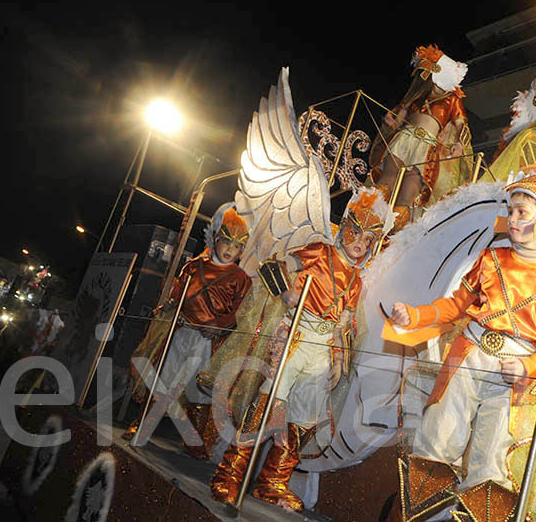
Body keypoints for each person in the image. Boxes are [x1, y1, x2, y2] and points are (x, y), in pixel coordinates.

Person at [388, 162, 536, 521]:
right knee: (434, 446)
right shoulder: (491, 259)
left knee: (490, 465)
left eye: (522, 212)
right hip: (466, 359)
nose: (513, 219)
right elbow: (456, 306)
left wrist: (528, 365)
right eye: (511, 211)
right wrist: (413, 316)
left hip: (513, 380)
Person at [209, 186, 390, 510]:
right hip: (295, 334)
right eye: (356, 234)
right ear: (346, 228)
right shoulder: (320, 252)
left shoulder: (356, 281)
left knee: (305, 420)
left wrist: (336, 360)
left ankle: (272, 481)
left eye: (368, 240)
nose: (360, 244)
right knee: (267, 406)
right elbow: (272, 267)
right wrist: (286, 295)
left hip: (321, 348)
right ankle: (229, 474)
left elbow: (341, 324)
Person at [125, 203, 253, 459]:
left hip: (208, 341)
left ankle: (193, 442)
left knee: (200, 389)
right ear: (215, 239)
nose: (230, 250)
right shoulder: (194, 266)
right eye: (226, 242)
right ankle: (143, 425)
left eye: (237, 246)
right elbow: (177, 293)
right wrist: (170, 306)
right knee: (163, 379)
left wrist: (219, 326)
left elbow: (241, 313)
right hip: (180, 332)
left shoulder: (241, 278)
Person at [371, 45, 472, 226]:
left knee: (407, 196)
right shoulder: (416, 97)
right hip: (404, 138)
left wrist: (459, 143)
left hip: (427, 148)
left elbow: (460, 124)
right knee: (387, 179)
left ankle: (392, 238)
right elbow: (398, 120)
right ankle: (368, 219)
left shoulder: (452, 100)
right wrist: (391, 122)